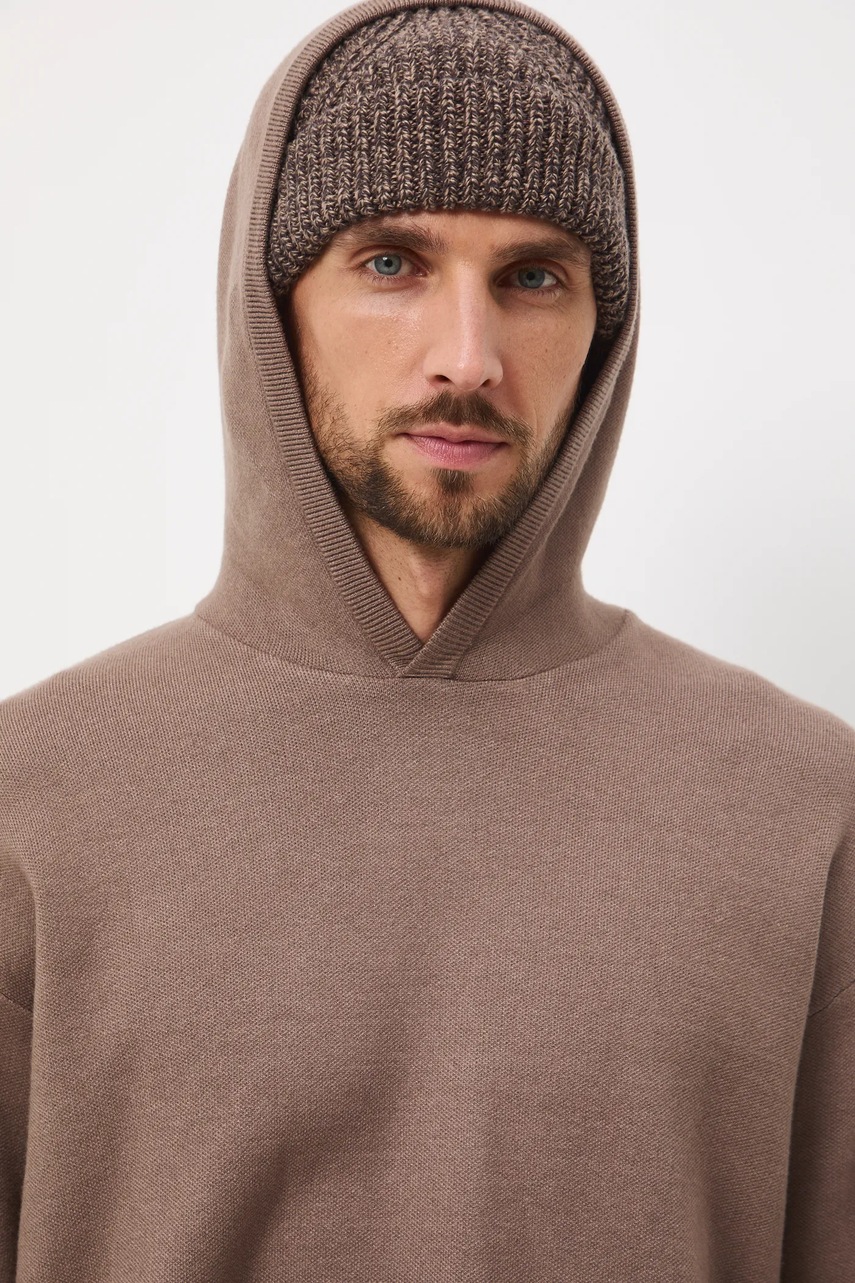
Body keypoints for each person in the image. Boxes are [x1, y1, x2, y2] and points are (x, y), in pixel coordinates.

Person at [0, 1, 852, 1279]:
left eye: (533, 276)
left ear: (604, 329)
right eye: (392, 261)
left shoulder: (806, 806)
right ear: (273, 303)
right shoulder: (32, 801)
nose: (468, 357)